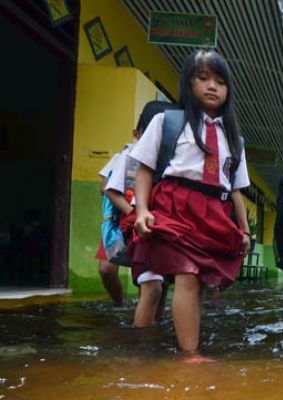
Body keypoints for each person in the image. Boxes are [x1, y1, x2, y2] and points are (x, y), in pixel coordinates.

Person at [130, 49, 252, 355]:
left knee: (196, 282)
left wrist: (245, 231)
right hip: (174, 205)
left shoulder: (234, 138)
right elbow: (144, 169)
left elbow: (236, 189)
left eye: (220, 81)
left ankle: (185, 345)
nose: (212, 86)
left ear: (229, 90)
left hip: (215, 214)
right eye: (203, 78)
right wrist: (142, 210)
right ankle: (190, 357)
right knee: (185, 274)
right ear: (188, 82)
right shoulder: (166, 121)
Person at [104, 101, 177, 327]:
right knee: (152, 286)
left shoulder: (172, 157)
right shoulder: (132, 157)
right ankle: (142, 348)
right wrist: (135, 214)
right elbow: (110, 190)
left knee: (161, 285)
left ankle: (156, 326)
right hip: (140, 228)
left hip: (164, 228)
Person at [96, 152, 123, 306]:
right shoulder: (120, 158)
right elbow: (104, 188)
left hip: (147, 218)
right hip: (116, 223)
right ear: (136, 134)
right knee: (107, 269)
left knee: (148, 277)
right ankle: (119, 304)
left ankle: (145, 314)